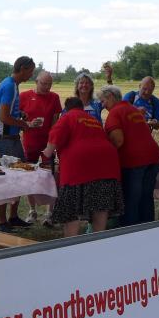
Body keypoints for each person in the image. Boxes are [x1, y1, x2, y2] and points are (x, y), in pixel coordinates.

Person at [42, 97, 122, 237]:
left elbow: (50, 147)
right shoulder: (93, 120)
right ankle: (98, 239)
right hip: (107, 167)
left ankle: (71, 241)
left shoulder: (67, 117)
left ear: (66, 109)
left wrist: (46, 153)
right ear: (81, 108)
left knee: (71, 209)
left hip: (79, 168)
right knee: (100, 206)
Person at [101, 85, 159, 225]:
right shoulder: (132, 109)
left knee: (131, 199)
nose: (103, 105)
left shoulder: (115, 113)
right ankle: (147, 229)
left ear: (111, 97)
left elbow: (118, 141)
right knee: (146, 197)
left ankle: (129, 231)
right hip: (152, 156)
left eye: (103, 101)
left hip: (134, 160)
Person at [0, 56, 38, 232]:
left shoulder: (12, 84)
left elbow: (8, 111)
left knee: (18, 178)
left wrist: (19, 113)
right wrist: (24, 124)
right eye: (30, 71)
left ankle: (13, 217)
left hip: (11, 139)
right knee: (7, 181)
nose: (31, 74)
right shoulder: (9, 86)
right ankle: (1, 221)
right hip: (6, 141)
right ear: (22, 69)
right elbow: (3, 116)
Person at [20, 70, 61, 226]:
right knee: (29, 177)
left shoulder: (54, 97)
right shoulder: (24, 96)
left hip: (47, 145)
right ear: (36, 82)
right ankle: (32, 210)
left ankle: (49, 213)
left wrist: (53, 142)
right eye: (44, 84)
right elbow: (17, 119)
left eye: (49, 84)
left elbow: (56, 123)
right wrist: (28, 124)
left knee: (50, 177)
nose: (47, 87)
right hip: (29, 143)